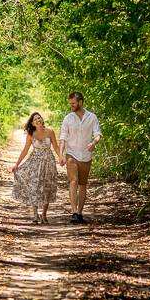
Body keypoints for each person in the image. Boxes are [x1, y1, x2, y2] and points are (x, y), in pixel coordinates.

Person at [58, 91, 101, 224]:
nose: (71, 105)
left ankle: (80, 213)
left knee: (82, 185)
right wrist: (60, 154)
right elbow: (63, 137)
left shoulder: (92, 117)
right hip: (72, 154)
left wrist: (94, 143)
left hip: (86, 155)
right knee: (73, 182)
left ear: (80, 102)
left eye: (73, 103)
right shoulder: (68, 118)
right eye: (70, 103)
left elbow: (98, 134)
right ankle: (74, 212)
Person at [10, 112, 62, 224]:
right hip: (35, 162)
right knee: (35, 186)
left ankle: (44, 214)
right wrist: (17, 164)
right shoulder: (31, 134)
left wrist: (61, 157)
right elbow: (25, 150)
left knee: (46, 187)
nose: (38, 120)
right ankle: (35, 214)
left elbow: (56, 147)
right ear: (33, 123)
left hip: (48, 162)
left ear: (42, 120)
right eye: (35, 119)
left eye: (39, 118)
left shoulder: (50, 132)